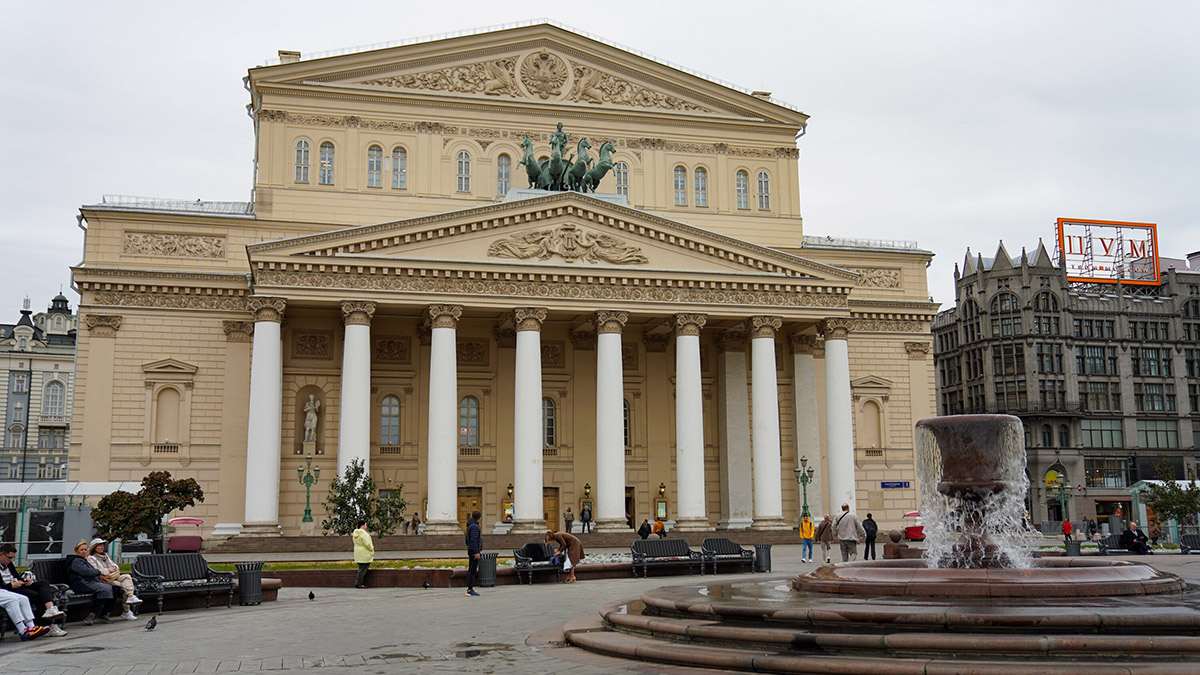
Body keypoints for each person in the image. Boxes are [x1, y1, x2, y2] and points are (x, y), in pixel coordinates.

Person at [0, 543, 66, 635]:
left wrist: (24, 580)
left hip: (16, 585)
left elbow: (15, 575)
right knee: (37, 596)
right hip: (9, 589)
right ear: (1, 554)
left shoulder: (8, 564)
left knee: (43, 583)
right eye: (9, 558)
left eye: (12, 558)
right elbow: (2, 586)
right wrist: (12, 585)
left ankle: (50, 608)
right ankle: (48, 625)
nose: (10, 560)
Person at [87, 539, 141, 621]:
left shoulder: (106, 556)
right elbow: (99, 571)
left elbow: (116, 567)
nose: (102, 547)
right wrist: (109, 570)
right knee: (122, 586)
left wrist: (110, 570)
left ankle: (130, 596)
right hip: (105, 580)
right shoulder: (91, 558)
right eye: (99, 545)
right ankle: (126, 611)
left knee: (127, 577)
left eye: (102, 545)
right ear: (94, 547)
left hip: (114, 576)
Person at [66, 540, 115, 624]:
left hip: (91, 582)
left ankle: (104, 613)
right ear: (76, 551)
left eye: (85, 549)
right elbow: (86, 572)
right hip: (81, 584)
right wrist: (100, 572)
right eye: (81, 550)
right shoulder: (76, 561)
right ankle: (92, 615)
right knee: (104, 589)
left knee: (114, 588)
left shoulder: (82, 560)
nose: (84, 551)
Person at [464, 510, 482, 597]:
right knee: (472, 570)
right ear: (479, 518)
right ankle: (470, 589)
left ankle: (469, 589)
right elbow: (473, 540)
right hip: (474, 551)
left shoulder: (470, 526)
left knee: (471, 570)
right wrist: (476, 552)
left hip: (471, 550)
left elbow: (467, 540)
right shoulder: (475, 527)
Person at [353, 520, 374, 588]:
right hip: (364, 553)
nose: (366, 526)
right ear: (362, 525)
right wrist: (372, 548)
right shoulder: (363, 534)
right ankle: (359, 583)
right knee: (363, 569)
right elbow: (367, 543)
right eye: (365, 525)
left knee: (361, 568)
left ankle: (358, 582)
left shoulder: (356, 533)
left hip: (358, 552)